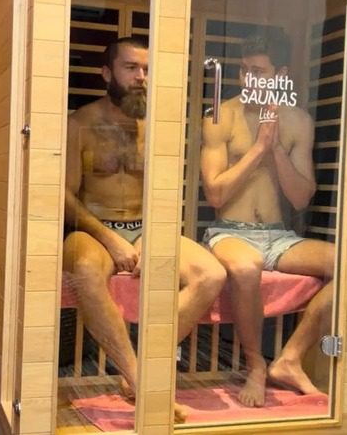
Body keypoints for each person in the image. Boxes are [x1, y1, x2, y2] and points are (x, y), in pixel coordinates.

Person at [63, 37, 227, 422]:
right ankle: (140, 381)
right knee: (86, 270)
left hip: (146, 228)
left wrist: (153, 239)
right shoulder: (80, 124)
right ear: (107, 73)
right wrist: (111, 239)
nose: (141, 77)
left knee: (211, 274)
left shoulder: (158, 129)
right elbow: (65, 198)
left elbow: (166, 194)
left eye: (147, 70)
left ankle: (141, 369)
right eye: (131, 68)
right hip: (94, 231)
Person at [200, 31, 334, 407]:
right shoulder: (219, 116)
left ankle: (290, 358)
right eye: (243, 71)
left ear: (282, 75)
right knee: (246, 268)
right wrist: (257, 148)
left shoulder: (299, 122)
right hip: (229, 231)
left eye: (258, 71)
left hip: (279, 235)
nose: (248, 80)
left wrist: (274, 149)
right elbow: (216, 195)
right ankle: (256, 365)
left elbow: (301, 198)